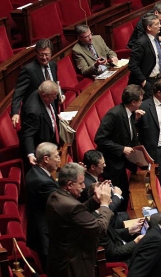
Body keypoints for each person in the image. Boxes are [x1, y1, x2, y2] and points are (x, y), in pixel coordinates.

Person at [46, 163, 114, 277]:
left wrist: (95, 200)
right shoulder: (72, 206)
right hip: (74, 265)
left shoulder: (55, 196)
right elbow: (100, 229)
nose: (83, 187)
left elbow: (77, 214)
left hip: (59, 259)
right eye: (81, 183)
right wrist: (105, 204)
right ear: (69, 185)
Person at [95, 85, 145, 211]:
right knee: (116, 198)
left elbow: (126, 132)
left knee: (124, 194)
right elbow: (100, 138)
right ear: (133, 102)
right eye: (140, 100)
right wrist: (121, 148)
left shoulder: (130, 113)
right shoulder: (114, 114)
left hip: (122, 163)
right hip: (112, 164)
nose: (141, 103)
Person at [10, 38, 65, 128]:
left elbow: (55, 83)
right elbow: (18, 93)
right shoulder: (28, 70)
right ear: (36, 54)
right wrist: (15, 112)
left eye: (46, 54)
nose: (44, 58)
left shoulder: (53, 65)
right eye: (41, 54)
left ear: (51, 53)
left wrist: (61, 93)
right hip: (36, 114)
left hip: (51, 110)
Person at [89, 183, 144, 265]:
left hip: (121, 246)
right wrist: (136, 242)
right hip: (122, 261)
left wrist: (129, 230)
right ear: (99, 200)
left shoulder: (96, 214)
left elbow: (111, 234)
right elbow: (114, 254)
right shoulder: (97, 222)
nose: (111, 201)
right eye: (108, 198)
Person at [25, 142, 59, 271]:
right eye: (56, 156)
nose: (59, 160)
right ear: (46, 159)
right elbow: (62, 202)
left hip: (41, 228)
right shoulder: (42, 181)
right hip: (45, 235)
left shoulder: (36, 172)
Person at [128, 13, 161, 100]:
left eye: (159, 23)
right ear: (149, 27)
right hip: (147, 82)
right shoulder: (141, 43)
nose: (160, 26)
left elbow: (157, 57)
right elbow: (132, 65)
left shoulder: (155, 36)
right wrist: (143, 81)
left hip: (157, 79)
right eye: (156, 24)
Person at [20, 80, 60, 166]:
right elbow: (28, 134)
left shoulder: (43, 93)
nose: (55, 98)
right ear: (44, 96)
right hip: (42, 149)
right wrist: (31, 154)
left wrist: (55, 117)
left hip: (50, 139)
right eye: (53, 97)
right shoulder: (33, 111)